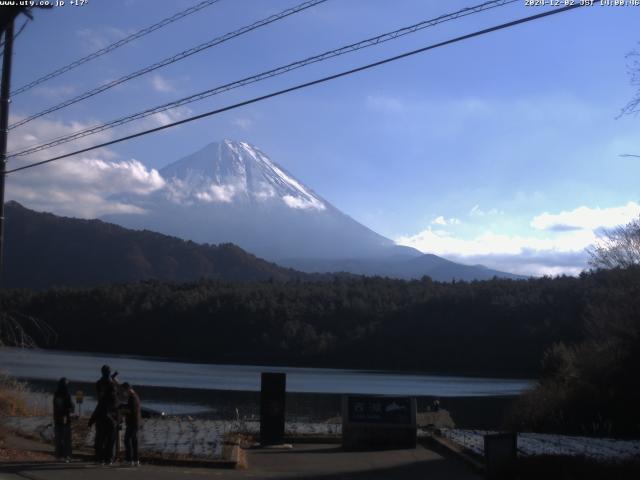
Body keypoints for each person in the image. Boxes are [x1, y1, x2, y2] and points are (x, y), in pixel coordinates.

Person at [89, 365, 119, 464]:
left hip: (102, 415)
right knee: (109, 439)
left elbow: (101, 402)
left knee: (101, 438)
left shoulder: (100, 383)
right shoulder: (111, 385)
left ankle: (100, 458)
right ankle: (108, 458)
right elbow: (115, 403)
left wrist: (93, 418)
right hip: (109, 416)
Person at [120, 383, 142, 467]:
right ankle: (136, 460)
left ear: (127, 389)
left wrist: (122, 411)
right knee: (134, 441)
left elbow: (130, 410)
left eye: (124, 391)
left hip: (132, 422)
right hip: (136, 422)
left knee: (127, 440)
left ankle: (129, 460)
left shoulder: (132, 398)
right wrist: (124, 405)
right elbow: (131, 407)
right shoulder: (135, 396)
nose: (123, 393)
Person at [53, 377, 74, 462]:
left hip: (57, 419)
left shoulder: (56, 394)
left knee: (59, 438)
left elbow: (57, 407)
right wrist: (69, 410)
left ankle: (59, 455)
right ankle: (66, 456)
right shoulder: (66, 394)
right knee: (66, 439)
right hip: (65, 419)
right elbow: (71, 407)